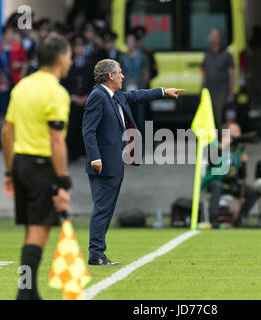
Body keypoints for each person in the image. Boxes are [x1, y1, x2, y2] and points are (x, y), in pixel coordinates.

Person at [82, 59, 184, 266]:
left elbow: (137, 96)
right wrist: (95, 157)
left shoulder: (114, 95)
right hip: (103, 163)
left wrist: (163, 91)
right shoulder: (97, 97)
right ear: (110, 76)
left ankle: (98, 252)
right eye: (120, 73)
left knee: (106, 208)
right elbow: (88, 130)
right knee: (103, 208)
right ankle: (96, 254)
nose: (123, 76)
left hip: (114, 162)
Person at [1, 34, 73, 300]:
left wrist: (9, 171)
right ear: (60, 58)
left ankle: (29, 291)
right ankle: (24, 293)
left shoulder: (22, 87)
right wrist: (63, 180)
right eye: (69, 56)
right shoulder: (56, 92)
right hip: (41, 165)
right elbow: (56, 139)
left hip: (20, 162)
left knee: (32, 230)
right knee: (38, 233)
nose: (71, 60)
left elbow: (7, 132)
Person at [202, 122, 258, 228]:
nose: (238, 133)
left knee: (253, 192)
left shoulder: (238, 149)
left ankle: (239, 219)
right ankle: (214, 219)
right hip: (214, 181)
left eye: (239, 131)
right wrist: (221, 149)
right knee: (217, 186)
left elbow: (242, 176)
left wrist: (244, 163)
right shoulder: (215, 145)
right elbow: (211, 162)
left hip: (231, 183)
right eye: (235, 131)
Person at [61, 34, 94, 162]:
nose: (79, 49)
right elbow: (64, 81)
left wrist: (87, 96)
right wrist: (73, 96)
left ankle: (86, 153)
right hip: (72, 100)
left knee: (87, 127)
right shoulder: (68, 63)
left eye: (81, 46)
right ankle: (71, 153)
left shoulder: (91, 64)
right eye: (77, 46)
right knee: (71, 126)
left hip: (87, 100)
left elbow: (94, 81)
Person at [0, 25, 27, 127]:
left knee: (16, 111)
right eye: (8, 33)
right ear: (3, 34)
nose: (11, 36)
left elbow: (26, 64)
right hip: (1, 85)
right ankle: (3, 138)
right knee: (2, 113)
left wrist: (20, 65)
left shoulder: (18, 49)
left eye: (12, 33)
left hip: (15, 82)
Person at [118, 30, 150, 137]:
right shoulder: (122, 57)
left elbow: (146, 74)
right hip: (126, 91)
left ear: (136, 43)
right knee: (127, 119)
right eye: (128, 42)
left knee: (140, 119)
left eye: (132, 41)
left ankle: (143, 144)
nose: (130, 44)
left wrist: (143, 87)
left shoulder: (143, 57)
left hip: (139, 90)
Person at [202, 28, 235, 130]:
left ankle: (224, 144)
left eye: (212, 35)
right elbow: (204, 72)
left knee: (221, 118)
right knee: (209, 118)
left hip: (221, 91)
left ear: (218, 39)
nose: (209, 37)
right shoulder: (207, 54)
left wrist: (230, 93)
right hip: (208, 90)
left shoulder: (226, 55)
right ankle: (213, 143)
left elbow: (231, 74)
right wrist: (202, 88)